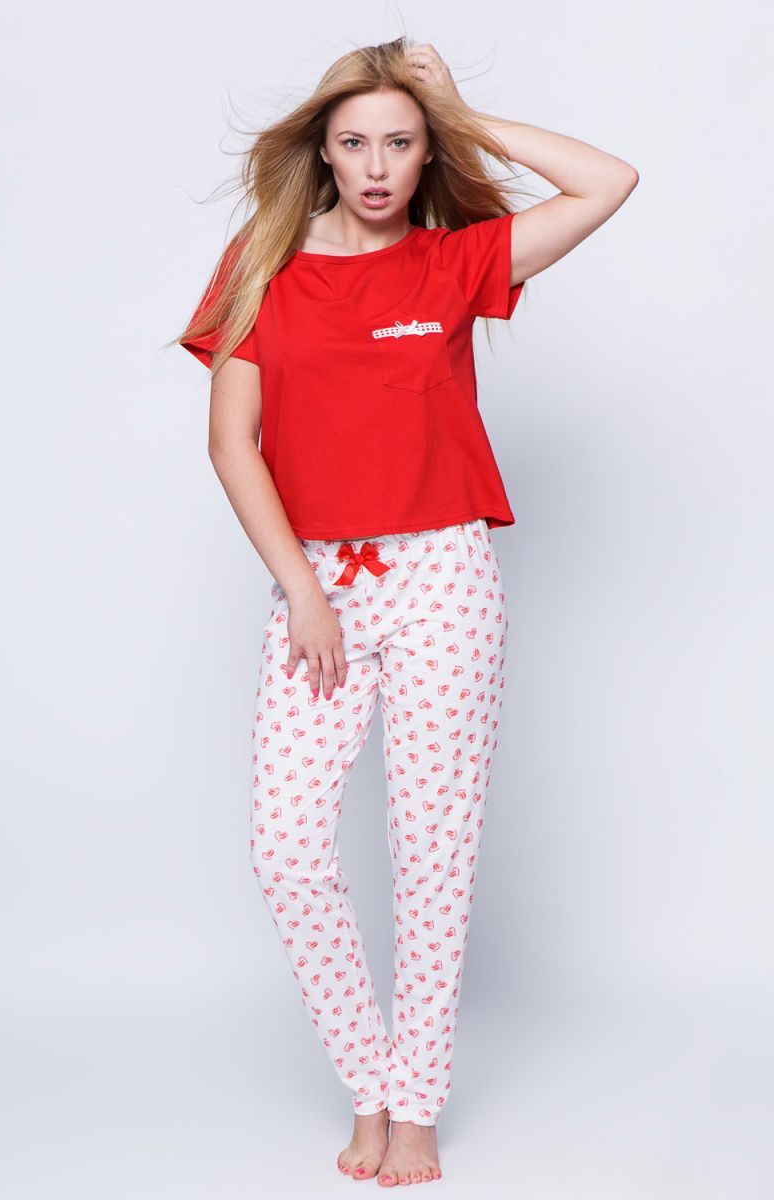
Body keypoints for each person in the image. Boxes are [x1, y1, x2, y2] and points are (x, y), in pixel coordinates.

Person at [176, 36, 638, 1188]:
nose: (375, 166)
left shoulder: (451, 263)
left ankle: (414, 1105)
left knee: (433, 848)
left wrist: (457, 109)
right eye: (354, 143)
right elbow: (231, 443)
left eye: (398, 142)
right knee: (286, 848)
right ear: (323, 152)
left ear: (425, 153)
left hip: (443, 576)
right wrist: (300, 592)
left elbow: (607, 182)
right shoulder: (259, 266)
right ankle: (371, 1082)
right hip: (318, 580)